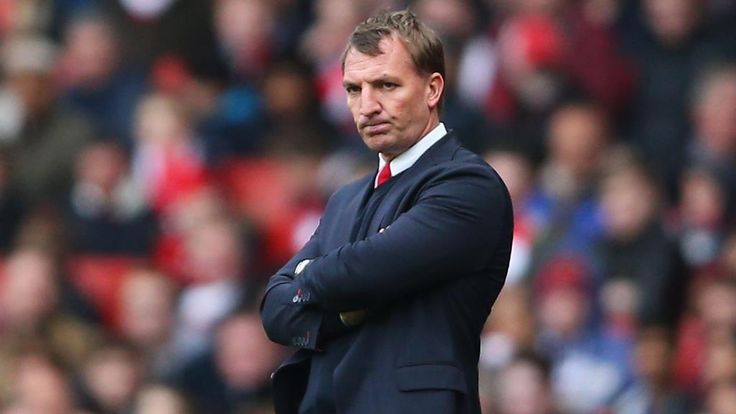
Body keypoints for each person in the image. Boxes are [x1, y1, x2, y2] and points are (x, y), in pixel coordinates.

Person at [260, 10, 513, 414]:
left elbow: (361, 271)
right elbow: (275, 308)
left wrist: (309, 276)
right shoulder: (345, 198)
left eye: (386, 85)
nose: (368, 106)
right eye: (354, 89)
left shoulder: (468, 185)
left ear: (432, 90)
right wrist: (343, 312)